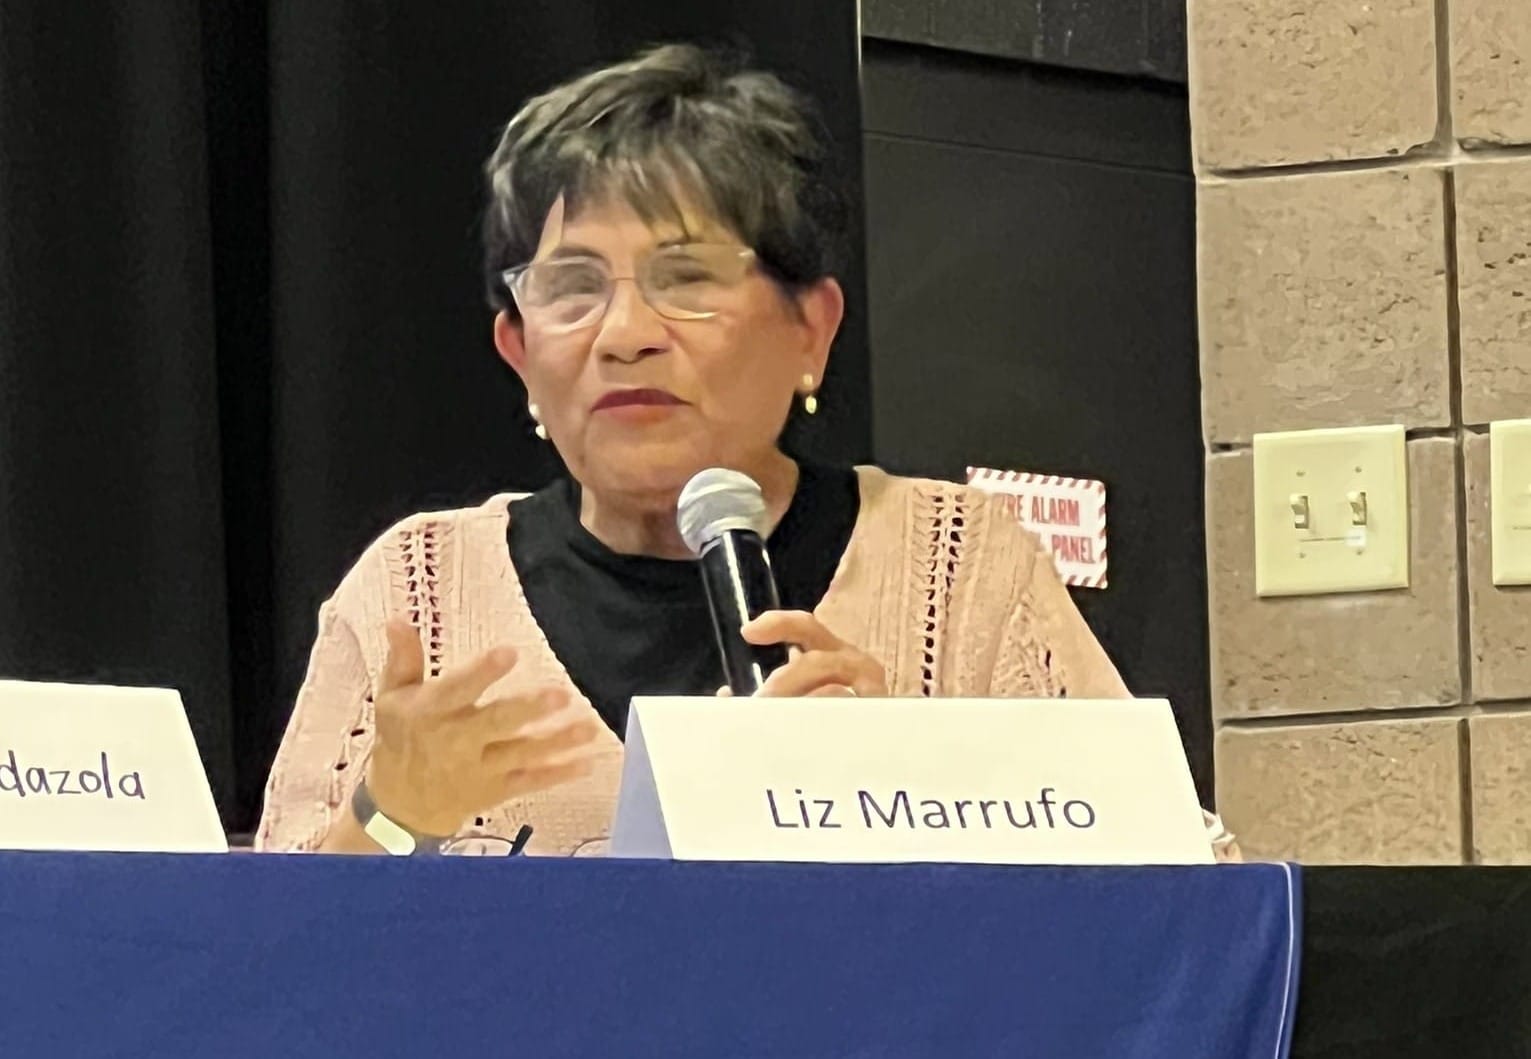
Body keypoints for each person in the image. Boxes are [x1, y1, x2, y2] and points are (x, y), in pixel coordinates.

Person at [256, 43, 1235, 860]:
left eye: (684, 279)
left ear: (810, 329)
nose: (624, 333)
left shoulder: (957, 568)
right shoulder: (416, 591)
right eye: (571, 287)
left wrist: (924, 790)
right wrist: (394, 817)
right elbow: (256, 962)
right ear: (517, 349)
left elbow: (1189, 893)